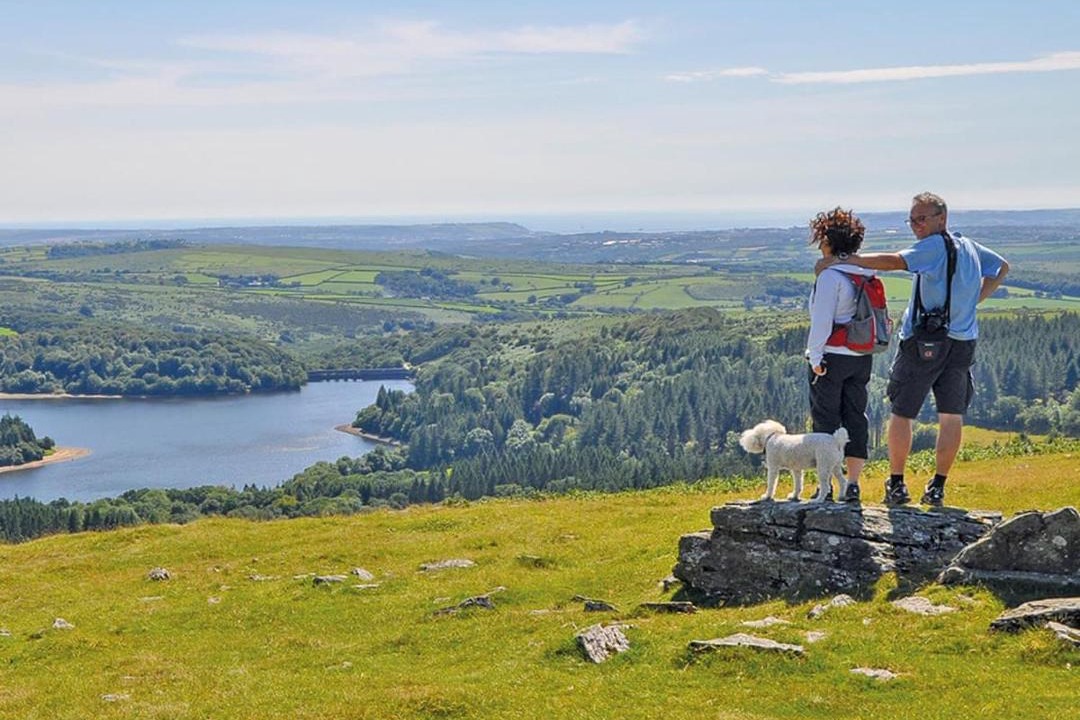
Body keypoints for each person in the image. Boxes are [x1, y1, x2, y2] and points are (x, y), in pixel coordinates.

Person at [816, 192, 1009, 506]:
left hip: (923, 342)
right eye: (912, 219)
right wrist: (974, 301)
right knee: (951, 415)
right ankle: (937, 486)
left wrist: (841, 260)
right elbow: (1002, 267)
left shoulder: (933, 246)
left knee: (902, 412)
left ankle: (897, 483)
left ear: (941, 218)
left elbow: (893, 261)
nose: (916, 225)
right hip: (963, 342)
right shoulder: (970, 246)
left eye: (922, 218)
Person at [805, 208, 876, 503]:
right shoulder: (865, 273)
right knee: (855, 416)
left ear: (829, 241)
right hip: (861, 354)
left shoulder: (830, 277)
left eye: (821, 239)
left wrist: (815, 357)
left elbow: (821, 320)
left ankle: (828, 486)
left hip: (832, 356)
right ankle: (854, 483)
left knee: (826, 421)